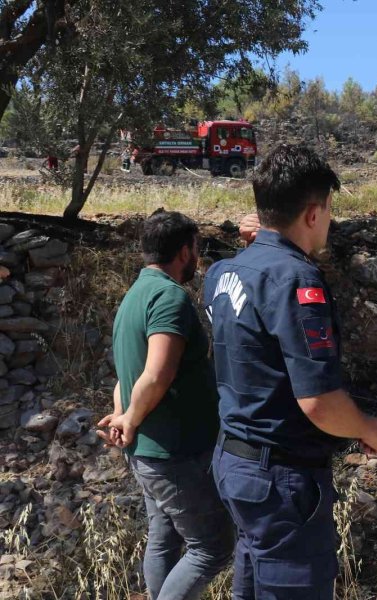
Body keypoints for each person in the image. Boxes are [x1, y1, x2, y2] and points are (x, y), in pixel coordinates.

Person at [203, 144, 377, 599]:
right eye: (328, 210)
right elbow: (319, 401)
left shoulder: (225, 272)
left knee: (252, 580)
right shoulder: (296, 280)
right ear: (312, 213)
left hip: (234, 461)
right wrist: (368, 429)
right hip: (280, 476)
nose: (329, 220)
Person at [97, 211, 233, 600]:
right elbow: (155, 373)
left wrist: (125, 416)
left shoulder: (135, 294)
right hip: (174, 453)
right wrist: (131, 420)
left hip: (149, 453)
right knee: (211, 548)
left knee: (164, 537)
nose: (198, 258)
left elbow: (127, 373)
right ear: (184, 249)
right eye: (196, 249)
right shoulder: (169, 297)